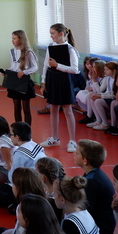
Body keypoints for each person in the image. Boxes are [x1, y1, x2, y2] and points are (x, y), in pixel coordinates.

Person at [0, 121, 45, 211]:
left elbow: (14, 176)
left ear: (17, 137)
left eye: (10, 134)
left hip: (26, 187)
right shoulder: (36, 146)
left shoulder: (20, 153)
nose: (9, 137)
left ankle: (16, 202)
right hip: (39, 185)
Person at [40, 23, 79, 153]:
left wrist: (57, 65)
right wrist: (43, 82)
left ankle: (72, 141)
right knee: (53, 108)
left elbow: (75, 69)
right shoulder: (50, 47)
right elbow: (46, 65)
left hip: (64, 80)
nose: (51, 36)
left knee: (67, 109)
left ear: (61, 34)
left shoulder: (70, 49)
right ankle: (54, 138)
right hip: (52, 79)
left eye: (53, 33)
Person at [3, 30, 39, 125]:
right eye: (12, 38)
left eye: (14, 38)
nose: (12, 40)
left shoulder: (28, 52)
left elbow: (35, 67)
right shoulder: (12, 51)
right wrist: (7, 72)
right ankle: (18, 129)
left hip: (24, 82)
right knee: (16, 107)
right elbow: (13, 66)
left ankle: (27, 130)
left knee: (26, 108)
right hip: (14, 82)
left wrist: (24, 72)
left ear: (21, 39)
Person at [87, 62, 118, 130]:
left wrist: (100, 96)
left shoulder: (116, 79)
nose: (105, 71)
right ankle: (99, 121)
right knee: (92, 96)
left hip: (113, 99)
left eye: (107, 70)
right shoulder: (108, 78)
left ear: (114, 71)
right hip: (108, 97)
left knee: (97, 101)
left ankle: (105, 123)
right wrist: (99, 95)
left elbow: (113, 95)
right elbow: (105, 92)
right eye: (104, 69)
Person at [77, 58, 101, 125]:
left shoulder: (103, 77)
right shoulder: (90, 73)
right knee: (80, 93)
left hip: (99, 93)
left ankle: (90, 116)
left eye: (93, 66)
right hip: (93, 91)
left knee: (90, 96)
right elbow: (88, 85)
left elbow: (99, 91)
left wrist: (93, 81)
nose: (90, 67)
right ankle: (89, 114)